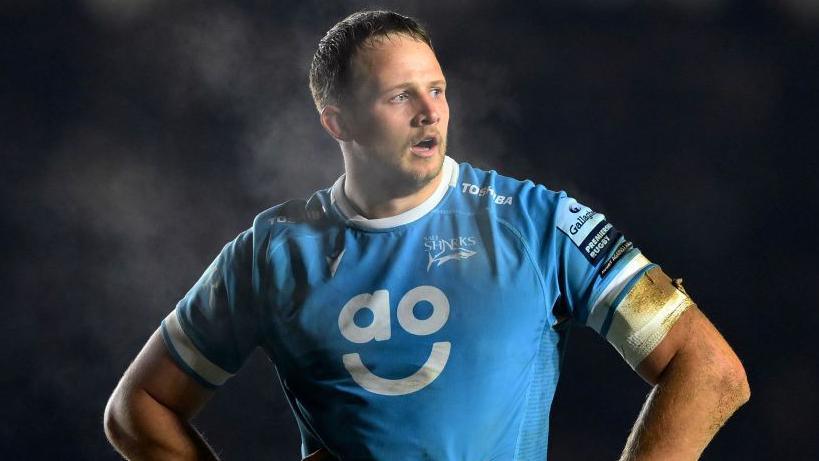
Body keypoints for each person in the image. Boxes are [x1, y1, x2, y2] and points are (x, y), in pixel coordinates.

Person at [103, 10, 749, 461]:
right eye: (398, 95)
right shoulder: (272, 252)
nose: (429, 111)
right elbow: (139, 406)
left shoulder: (537, 221)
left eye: (437, 88)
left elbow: (710, 369)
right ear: (338, 121)